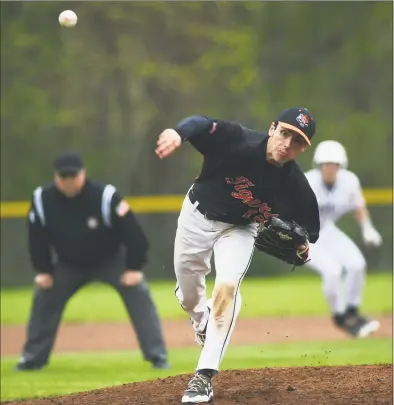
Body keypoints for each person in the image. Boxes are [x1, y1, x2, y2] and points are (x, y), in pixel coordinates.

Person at [155, 108, 320, 404]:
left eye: (297, 141)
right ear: (272, 129)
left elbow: (310, 232)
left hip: (241, 230)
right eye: (285, 133)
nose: (287, 144)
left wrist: (303, 245)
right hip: (197, 217)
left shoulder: (296, 184)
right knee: (189, 298)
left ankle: (203, 377)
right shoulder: (237, 140)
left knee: (227, 288)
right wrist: (178, 133)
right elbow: (203, 124)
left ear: (303, 148)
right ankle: (200, 320)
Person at [15, 151, 169, 371]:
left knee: (138, 293)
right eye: (63, 177)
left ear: (83, 174)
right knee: (45, 297)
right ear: (55, 177)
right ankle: (32, 359)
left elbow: (134, 233)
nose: (68, 181)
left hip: (110, 260)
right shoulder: (42, 199)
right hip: (69, 264)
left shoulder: (104, 195)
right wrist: (43, 270)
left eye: (73, 176)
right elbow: (36, 237)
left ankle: (158, 355)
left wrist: (134, 267)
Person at [304, 140, 382, 338]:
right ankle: (340, 318)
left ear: (341, 165)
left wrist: (368, 229)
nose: (330, 168)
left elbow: (358, 207)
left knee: (357, 265)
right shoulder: (307, 181)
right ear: (319, 165)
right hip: (305, 234)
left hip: (327, 229)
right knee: (333, 271)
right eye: (326, 164)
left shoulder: (349, 181)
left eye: (334, 164)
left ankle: (352, 313)